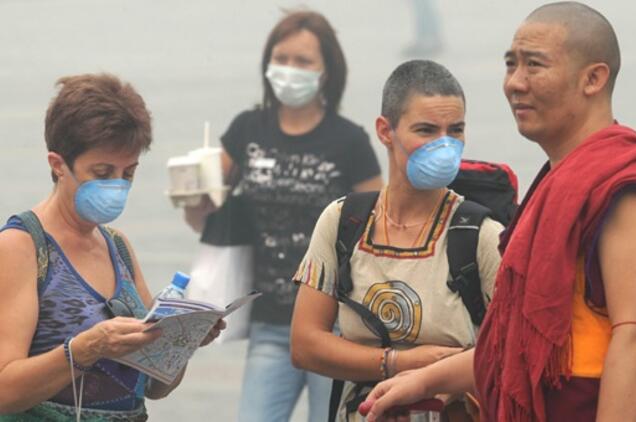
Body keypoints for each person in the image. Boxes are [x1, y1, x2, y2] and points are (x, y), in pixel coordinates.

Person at [363, 2, 636, 421]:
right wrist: (423, 380)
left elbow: (633, 336)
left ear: (593, 78)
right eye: (511, 65)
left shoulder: (619, 186)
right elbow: (514, 347)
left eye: (534, 65)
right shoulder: (557, 181)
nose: (515, 83)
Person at [184, 10, 382, 422]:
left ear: (326, 70)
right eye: (282, 58)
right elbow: (204, 218)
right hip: (271, 322)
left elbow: (379, 228)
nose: (290, 69)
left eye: (303, 61)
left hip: (338, 325)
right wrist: (190, 194)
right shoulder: (247, 130)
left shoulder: (350, 141)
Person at [0, 73, 224, 421]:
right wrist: (85, 349)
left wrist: (182, 342)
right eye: (102, 172)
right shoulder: (22, 246)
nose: (117, 186)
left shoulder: (117, 247)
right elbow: (4, 390)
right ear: (58, 165)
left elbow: (154, 387)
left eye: (128, 173)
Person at [289, 59, 504, 421]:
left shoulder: (481, 236)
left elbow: (510, 353)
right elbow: (305, 344)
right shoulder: (343, 222)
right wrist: (400, 362)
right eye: (426, 130)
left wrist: (434, 378)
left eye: (456, 130)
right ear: (385, 131)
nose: (445, 145)